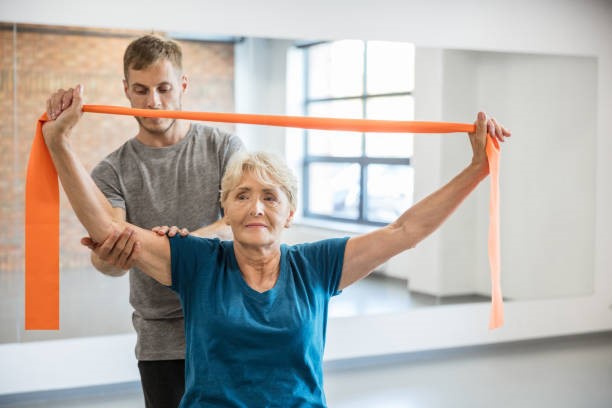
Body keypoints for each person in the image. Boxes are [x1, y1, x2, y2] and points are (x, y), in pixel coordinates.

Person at [42, 82, 510, 406]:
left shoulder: (318, 265)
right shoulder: (198, 261)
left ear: (291, 212)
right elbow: (109, 231)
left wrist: (476, 169)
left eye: (270, 196)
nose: (257, 208)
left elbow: (404, 232)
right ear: (224, 209)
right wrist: (59, 143)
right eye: (242, 196)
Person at [45, 35, 243, 408]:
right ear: (126, 91)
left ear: (183, 86)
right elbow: (107, 257)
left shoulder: (224, 148)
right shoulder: (111, 171)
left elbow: (239, 223)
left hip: (228, 324)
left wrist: (180, 248)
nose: (153, 101)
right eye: (141, 90)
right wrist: (109, 257)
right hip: (161, 340)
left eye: (164, 88)